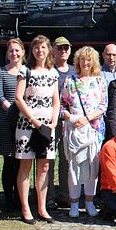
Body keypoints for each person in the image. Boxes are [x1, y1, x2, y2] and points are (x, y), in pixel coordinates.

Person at [14, 35, 60, 224]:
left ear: (48, 50)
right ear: (32, 51)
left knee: (44, 167)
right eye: (36, 48)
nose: (40, 51)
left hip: (47, 125)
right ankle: (25, 208)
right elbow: (18, 98)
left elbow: (55, 100)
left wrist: (54, 121)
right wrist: (33, 119)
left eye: (43, 47)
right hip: (28, 125)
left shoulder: (53, 73)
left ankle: (42, 208)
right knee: (26, 165)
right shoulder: (25, 71)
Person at [60, 46, 107, 218]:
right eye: (82, 59)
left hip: (93, 130)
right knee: (74, 168)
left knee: (92, 168)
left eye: (89, 60)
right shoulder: (70, 80)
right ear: (78, 61)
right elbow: (63, 105)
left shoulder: (99, 81)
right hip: (74, 130)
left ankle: (89, 202)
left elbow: (103, 106)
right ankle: (74, 204)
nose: (85, 62)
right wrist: (72, 119)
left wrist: (86, 119)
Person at [0, 38, 24, 212]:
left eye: (17, 50)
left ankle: (21, 198)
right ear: (8, 53)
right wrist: (13, 110)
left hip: (23, 121)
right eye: (11, 51)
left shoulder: (27, 71)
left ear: (22, 53)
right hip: (7, 120)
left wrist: (23, 114)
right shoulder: (0, 72)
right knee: (9, 161)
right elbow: (0, 95)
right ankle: (8, 199)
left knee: (22, 162)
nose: (14, 53)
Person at [49, 36, 76, 209]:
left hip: (69, 120)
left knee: (67, 158)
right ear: (53, 50)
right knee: (49, 158)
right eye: (60, 48)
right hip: (52, 120)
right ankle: (49, 196)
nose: (63, 51)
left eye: (66, 48)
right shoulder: (49, 69)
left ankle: (65, 194)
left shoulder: (74, 70)